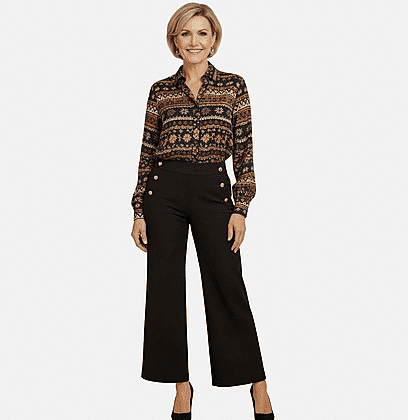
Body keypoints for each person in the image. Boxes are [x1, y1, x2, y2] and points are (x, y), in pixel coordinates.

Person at [130, 3, 274, 419]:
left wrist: (240, 207)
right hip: (164, 192)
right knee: (165, 290)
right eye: (185, 34)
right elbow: (147, 151)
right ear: (175, 41)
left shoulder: (233, 86)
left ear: (214, 40)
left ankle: (257, 382)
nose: (194, 41)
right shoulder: (160, 90)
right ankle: (181, 385)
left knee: (227, 284)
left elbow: (245, 154)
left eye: (202, 33)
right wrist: (139, 209)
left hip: (214, 191)